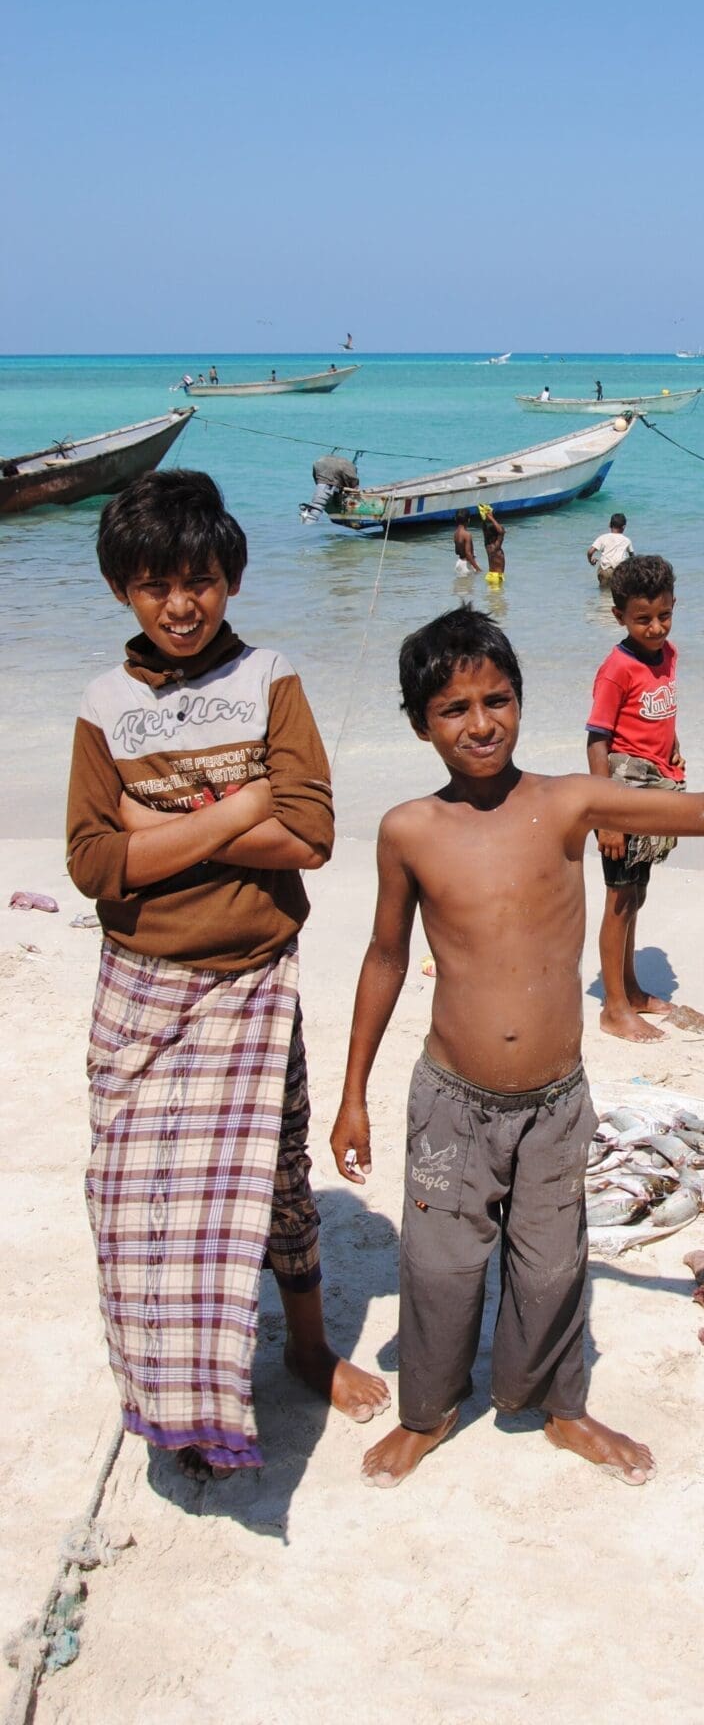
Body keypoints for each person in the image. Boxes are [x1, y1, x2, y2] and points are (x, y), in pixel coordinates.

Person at [329, 604, 704, 1486]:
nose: (480, 723)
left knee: (550, 1269)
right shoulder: (408, 830)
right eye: (454, 710)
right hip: (451, 1100)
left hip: (553, 1099)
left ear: (523, 703)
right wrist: (353, 1094)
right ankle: (428, 1412)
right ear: (422, 724)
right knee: (440, 1268)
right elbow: (385, 956)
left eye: (497, 700)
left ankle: (557, 1407)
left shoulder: (567, 801)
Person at [66, 470, 388, 1482]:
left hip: (251, 982)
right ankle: (172, 1387)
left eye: (199, 580)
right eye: (156, 584)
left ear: (232, 579)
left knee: (281, 1181)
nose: (180, 604)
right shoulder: (103, 707)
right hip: (141, 985)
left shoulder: (268, 681)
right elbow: (92, 863)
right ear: (124, 588)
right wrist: (239, 808)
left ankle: (301, 1344)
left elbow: (313, 836)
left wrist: (162, 828)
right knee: (136, 1198)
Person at [586, 555, 689, 1041]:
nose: (655, 627)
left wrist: (675, 755)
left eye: (664, 615)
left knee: (637, 893)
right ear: (619, 617)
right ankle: (613, 1006)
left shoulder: (669, 655)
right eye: (642, 618)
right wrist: (606, 816)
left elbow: (662, 718)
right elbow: (597, 741)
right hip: (621, 794)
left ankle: (629, 985)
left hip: (656, 785)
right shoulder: (616, 669)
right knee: (619, 899)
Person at [586, 512, 633, 587]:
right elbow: (632, 558)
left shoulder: (603, 537)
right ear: (624, 527)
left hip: (605, 570)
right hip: (620, 571)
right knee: (618, 592)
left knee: (604, 592)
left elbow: (590, 552)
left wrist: (590, 560)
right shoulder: (627, 540)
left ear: (609, 524)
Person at [479, 503, 505, 586]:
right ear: (496, 536)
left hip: (489, 575)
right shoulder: (496, 547)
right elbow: (501, 532)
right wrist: (491, 517)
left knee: (492, 597)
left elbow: (484, 530)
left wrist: (484, 518)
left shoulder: (488, 546)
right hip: (496, 577)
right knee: (498, 598)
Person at [453, 508, 480, 574]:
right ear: (468, 520)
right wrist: (477, 568)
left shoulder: (455, 534)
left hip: (459, 563)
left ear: (455, 519)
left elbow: (457, 552)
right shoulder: (467, 535)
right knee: (469, 583)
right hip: (466, 565)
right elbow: (468, 554)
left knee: (460, 584)